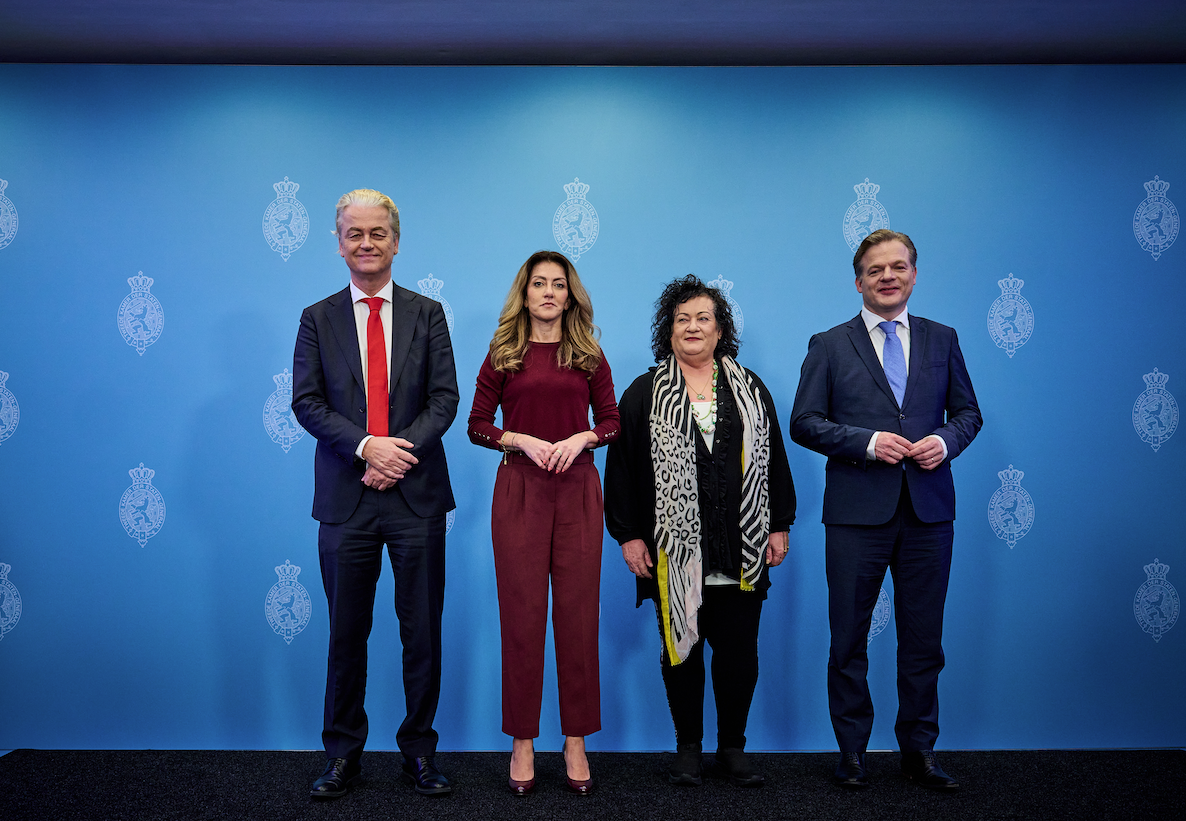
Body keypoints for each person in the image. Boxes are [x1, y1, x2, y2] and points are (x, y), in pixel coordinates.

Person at [789, 229, 982, 791]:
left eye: (898, 267)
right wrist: (868, 443)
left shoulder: (943, 339)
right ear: (859, 282)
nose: (888, 277)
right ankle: (852, 752)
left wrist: (944, 441)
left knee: (924, 641)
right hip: (856, 514)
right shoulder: (829, 344)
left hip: (929, 513)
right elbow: (804, 422)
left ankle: (919, 751)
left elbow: (968, 414)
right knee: (848, 639)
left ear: (914, 275)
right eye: (875, 270)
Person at [292, 189, 458, 800]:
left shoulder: (428, 313)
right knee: (345, 634)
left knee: (422, 633)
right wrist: (367, 448)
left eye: (378, 233)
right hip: (346, 497)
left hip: (417, 496)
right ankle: (342, 755)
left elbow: (444, 398)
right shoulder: (317, 318)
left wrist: (396, 454)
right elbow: (307, 403)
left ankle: (420, 753)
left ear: (396, 241)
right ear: (339, 243)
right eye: (355, 233)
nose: (367, 243)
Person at [604, 275, 796, 788]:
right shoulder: (644, 392)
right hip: (672, 553)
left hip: (741, 548)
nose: (692, 327)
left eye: (703, 318)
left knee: (739, 656)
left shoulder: (751, 388)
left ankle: (732, 747)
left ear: (720, 330)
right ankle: (688, 747)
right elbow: (621, 471)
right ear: (668, 331)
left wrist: (778, 524)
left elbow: (775, 459)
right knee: (681, 653)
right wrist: (628, 535)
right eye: (682, 319)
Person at [467, 250, 620, 796]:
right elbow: (477, 424)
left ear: (569, 294)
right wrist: (520, 440)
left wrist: (583, 437)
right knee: (522, 619)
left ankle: (576, 740)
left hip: (578, 489)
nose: (549, 292)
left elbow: (613, 420)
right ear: (525, 293)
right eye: (539, 283)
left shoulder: (588, 354)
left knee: (578, 618)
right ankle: (523, 741)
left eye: (558, 283)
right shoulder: (503, 352)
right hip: (520, 490)